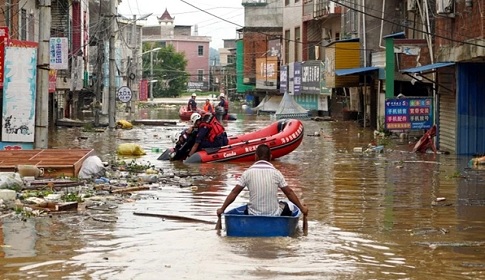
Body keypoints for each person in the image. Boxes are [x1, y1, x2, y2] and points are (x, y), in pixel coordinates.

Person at [216, 144, 309, 218]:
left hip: (253, 215)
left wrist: (222, 209)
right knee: (288, 207)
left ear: (255, 156)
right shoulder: (276, 173)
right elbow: (289, 193)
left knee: (247, 209)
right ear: (270, 157)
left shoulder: (247, 173)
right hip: (274, 215)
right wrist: (301, 208)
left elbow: (234, 193)